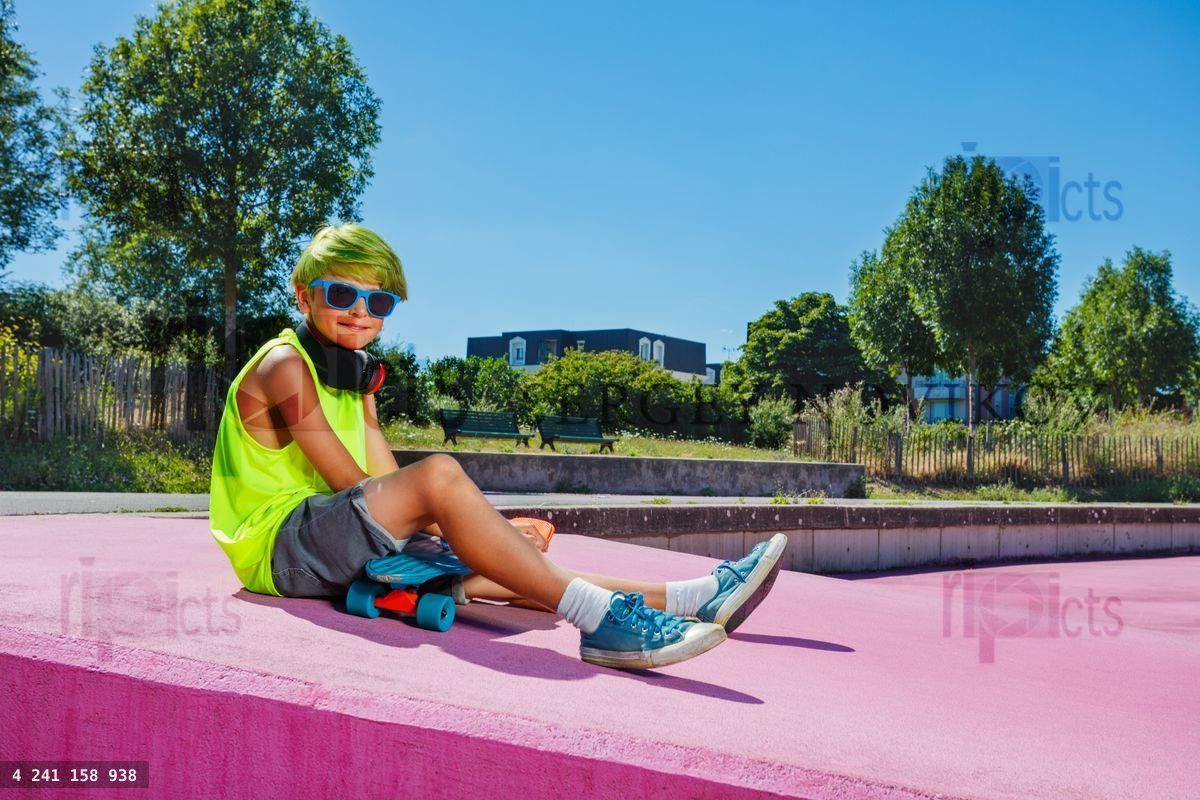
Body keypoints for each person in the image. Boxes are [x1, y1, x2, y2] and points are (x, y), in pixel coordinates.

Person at [209, 223, 787, 670]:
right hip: (280, 548)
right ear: (304, 296)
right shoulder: (286, 365)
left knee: (522, 576)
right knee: (440, 477)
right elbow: (350, 486)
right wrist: (470, 522)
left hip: (327, 539)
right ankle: (602, 625)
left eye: (379, 303)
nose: (361, 312)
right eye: (342, 294)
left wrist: (370, 409)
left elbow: (380, 484)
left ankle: (695, 597)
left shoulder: (350, 374)